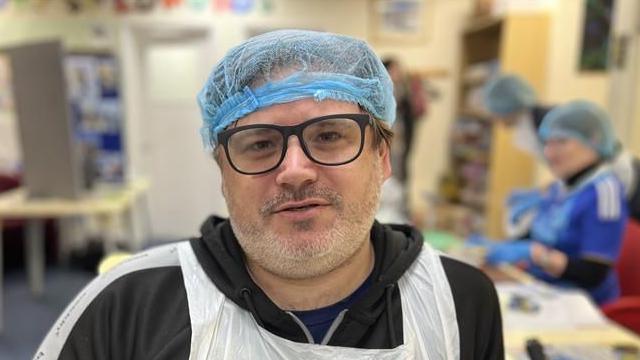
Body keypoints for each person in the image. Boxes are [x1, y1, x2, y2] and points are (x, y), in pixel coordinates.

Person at [36, 30, 503, 359]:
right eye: (260, 144)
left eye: (329, 136)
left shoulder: (460, 300)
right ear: (223, 172)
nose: (295, 171)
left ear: (382, 158)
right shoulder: (126, 307)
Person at [473, 100, 628, 305]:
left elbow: (593, 273)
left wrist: (536, 255)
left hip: (582, 305)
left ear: (593, 141)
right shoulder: (561, 187)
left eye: (561, 142)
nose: (549, 153)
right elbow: (537, 235)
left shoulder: (604, 193)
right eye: (547, 143)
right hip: (544, 290)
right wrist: (501, 247)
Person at [484, 74, 640, 222]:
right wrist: (544, 193)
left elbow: (583, 168)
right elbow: (568, 174)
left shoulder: (551, 122)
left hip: (627, 184)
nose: (550, 152)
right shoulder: (536, 124)